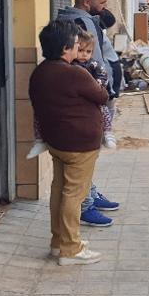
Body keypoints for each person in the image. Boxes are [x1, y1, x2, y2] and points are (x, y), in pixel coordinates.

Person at [28, 20, 108, 266]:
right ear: (65, 47)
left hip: (56, 142)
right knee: (74, 195)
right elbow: (102, 96)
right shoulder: (75, 73)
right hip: (79, 145)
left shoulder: (40, 72)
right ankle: (71, 250)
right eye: (75, 44)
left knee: (59, 191)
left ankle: (58, 242)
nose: (78, 48)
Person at [57, 0, 120, 227]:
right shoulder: (79, 23)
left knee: (90, 154)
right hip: (88, 102)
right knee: (83, 155)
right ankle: (85, 205)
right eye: (102, 3)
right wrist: (101, 93)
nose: (105, 8)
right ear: (86, 2)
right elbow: (88, 67)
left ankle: (90, 193)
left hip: (94, 98)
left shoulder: (87, 20)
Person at [73, 32, 115, 148]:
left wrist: (97, 85)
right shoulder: (71, 64)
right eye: (80, 50)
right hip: (77, 97)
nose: (84, 55)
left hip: (93, 95)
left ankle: (107, 132)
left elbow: (103, 75)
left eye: (88, 52)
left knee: (104, 111)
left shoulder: (93, 64)